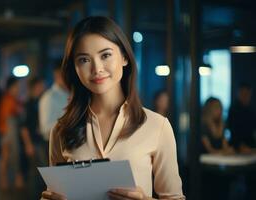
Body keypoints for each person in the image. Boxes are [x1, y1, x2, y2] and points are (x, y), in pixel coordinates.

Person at [41, 16, 184, 200]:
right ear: (75, 68)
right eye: (84, 60)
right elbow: (53, 194)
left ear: (124, 57)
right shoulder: (61, 130)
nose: (97, 68)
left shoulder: (157, 126)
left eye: (105, 55)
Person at [20, 77, 47, 198]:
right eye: (41, 85)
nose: (43, 88)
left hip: (40, 141)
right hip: (34, 142)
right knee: (35, 172)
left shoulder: (40, 101)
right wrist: (28, 145)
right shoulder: (29, 104)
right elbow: (24, 127)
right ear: (35, 87)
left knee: (41, 170)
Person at [0, 77, 24, 190]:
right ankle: (10, 180)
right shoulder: (9, 99)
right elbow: (8, 115)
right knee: (8, 156)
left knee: (6, 157)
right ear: (11, 87)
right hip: (9, 131)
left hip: (7, 131)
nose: (18, 89)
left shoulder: (8, 99)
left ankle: (6, 180)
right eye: (16, 87)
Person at [39, 61, 69, 143]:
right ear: (57, 75)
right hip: (55, 144)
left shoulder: (69, 93)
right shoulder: (49, 97)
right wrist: (69, 123)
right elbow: (45, 128)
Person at [227, 82, 256, 153]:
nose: (245, 96)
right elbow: (232, 128)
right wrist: (239, 145)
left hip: (250, 144)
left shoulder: (251, 110)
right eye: (243, 93)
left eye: (247, 94)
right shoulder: (233, 109)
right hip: (237, 145)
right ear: (238, 93)